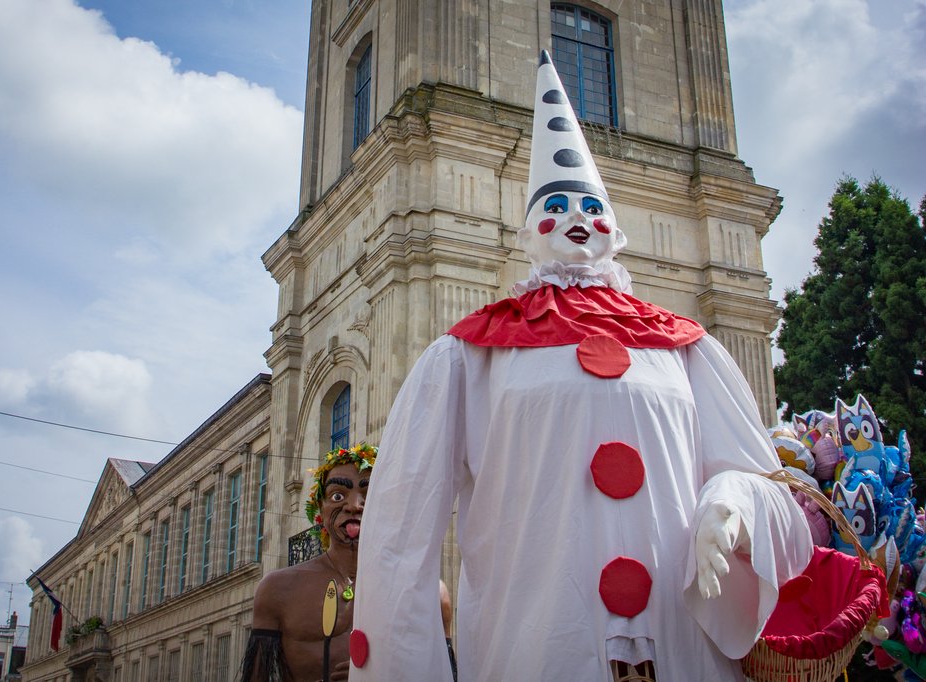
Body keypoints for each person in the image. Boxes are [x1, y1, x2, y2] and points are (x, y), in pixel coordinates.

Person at [348, 52, 813, 681]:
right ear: (529, 228)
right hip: (538, 652)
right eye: (556, 204)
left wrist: (731, 505)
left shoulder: (685, 347)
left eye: (588, 206)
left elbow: (778, 500)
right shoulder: (469, 354)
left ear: (614, 228)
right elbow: (400, 535)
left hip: (685, 655)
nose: (574, 218)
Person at [241, 444, 376, 682]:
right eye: (338, 495)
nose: (355, 505)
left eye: (370, 494)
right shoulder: (278, 589)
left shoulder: (424, 593)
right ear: (319, 510)